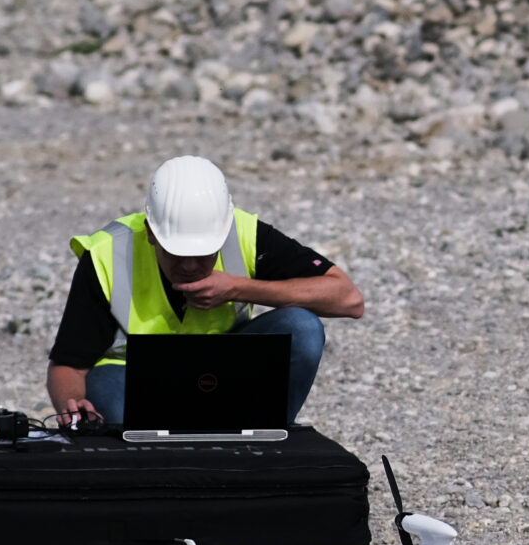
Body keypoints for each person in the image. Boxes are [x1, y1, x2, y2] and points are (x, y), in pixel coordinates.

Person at [48, 155, 363, 428]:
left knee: (302, 327)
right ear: (151, 234)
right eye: (177, 252)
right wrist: (75, 407)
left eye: (202, 254)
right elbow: (68, 366)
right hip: (132, 377)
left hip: (223, 373)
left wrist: (239, 288)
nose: (189, 265)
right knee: (106, 399)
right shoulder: (106, 254)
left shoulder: (244, 234)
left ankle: (262, 446)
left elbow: (348, 300)